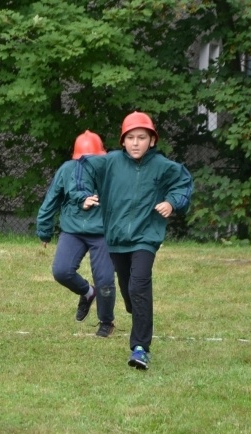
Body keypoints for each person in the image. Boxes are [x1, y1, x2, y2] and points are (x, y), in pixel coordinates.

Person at [83, 112, 192, 370]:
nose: (135, 143)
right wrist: (84, 194)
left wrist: (172, 202)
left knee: (139, 285)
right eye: (130, 138)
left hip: (146, 236)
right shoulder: (110, 162)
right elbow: (82, 168)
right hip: (117, 238)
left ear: (152, 141)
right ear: (123, 141)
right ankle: (136, 307)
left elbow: (184, 183)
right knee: (129, 289)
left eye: (141, 138)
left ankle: (140, 348)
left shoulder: (163, 166)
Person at [36, 130, 116, 337]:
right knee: (61, 271)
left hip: (103, 232)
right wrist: (44, 230)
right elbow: (52, 198)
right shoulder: (67, 169)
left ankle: (106, 321)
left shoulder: (111, 169)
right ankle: (88, 292)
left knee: (105, 281)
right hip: (73, 230)